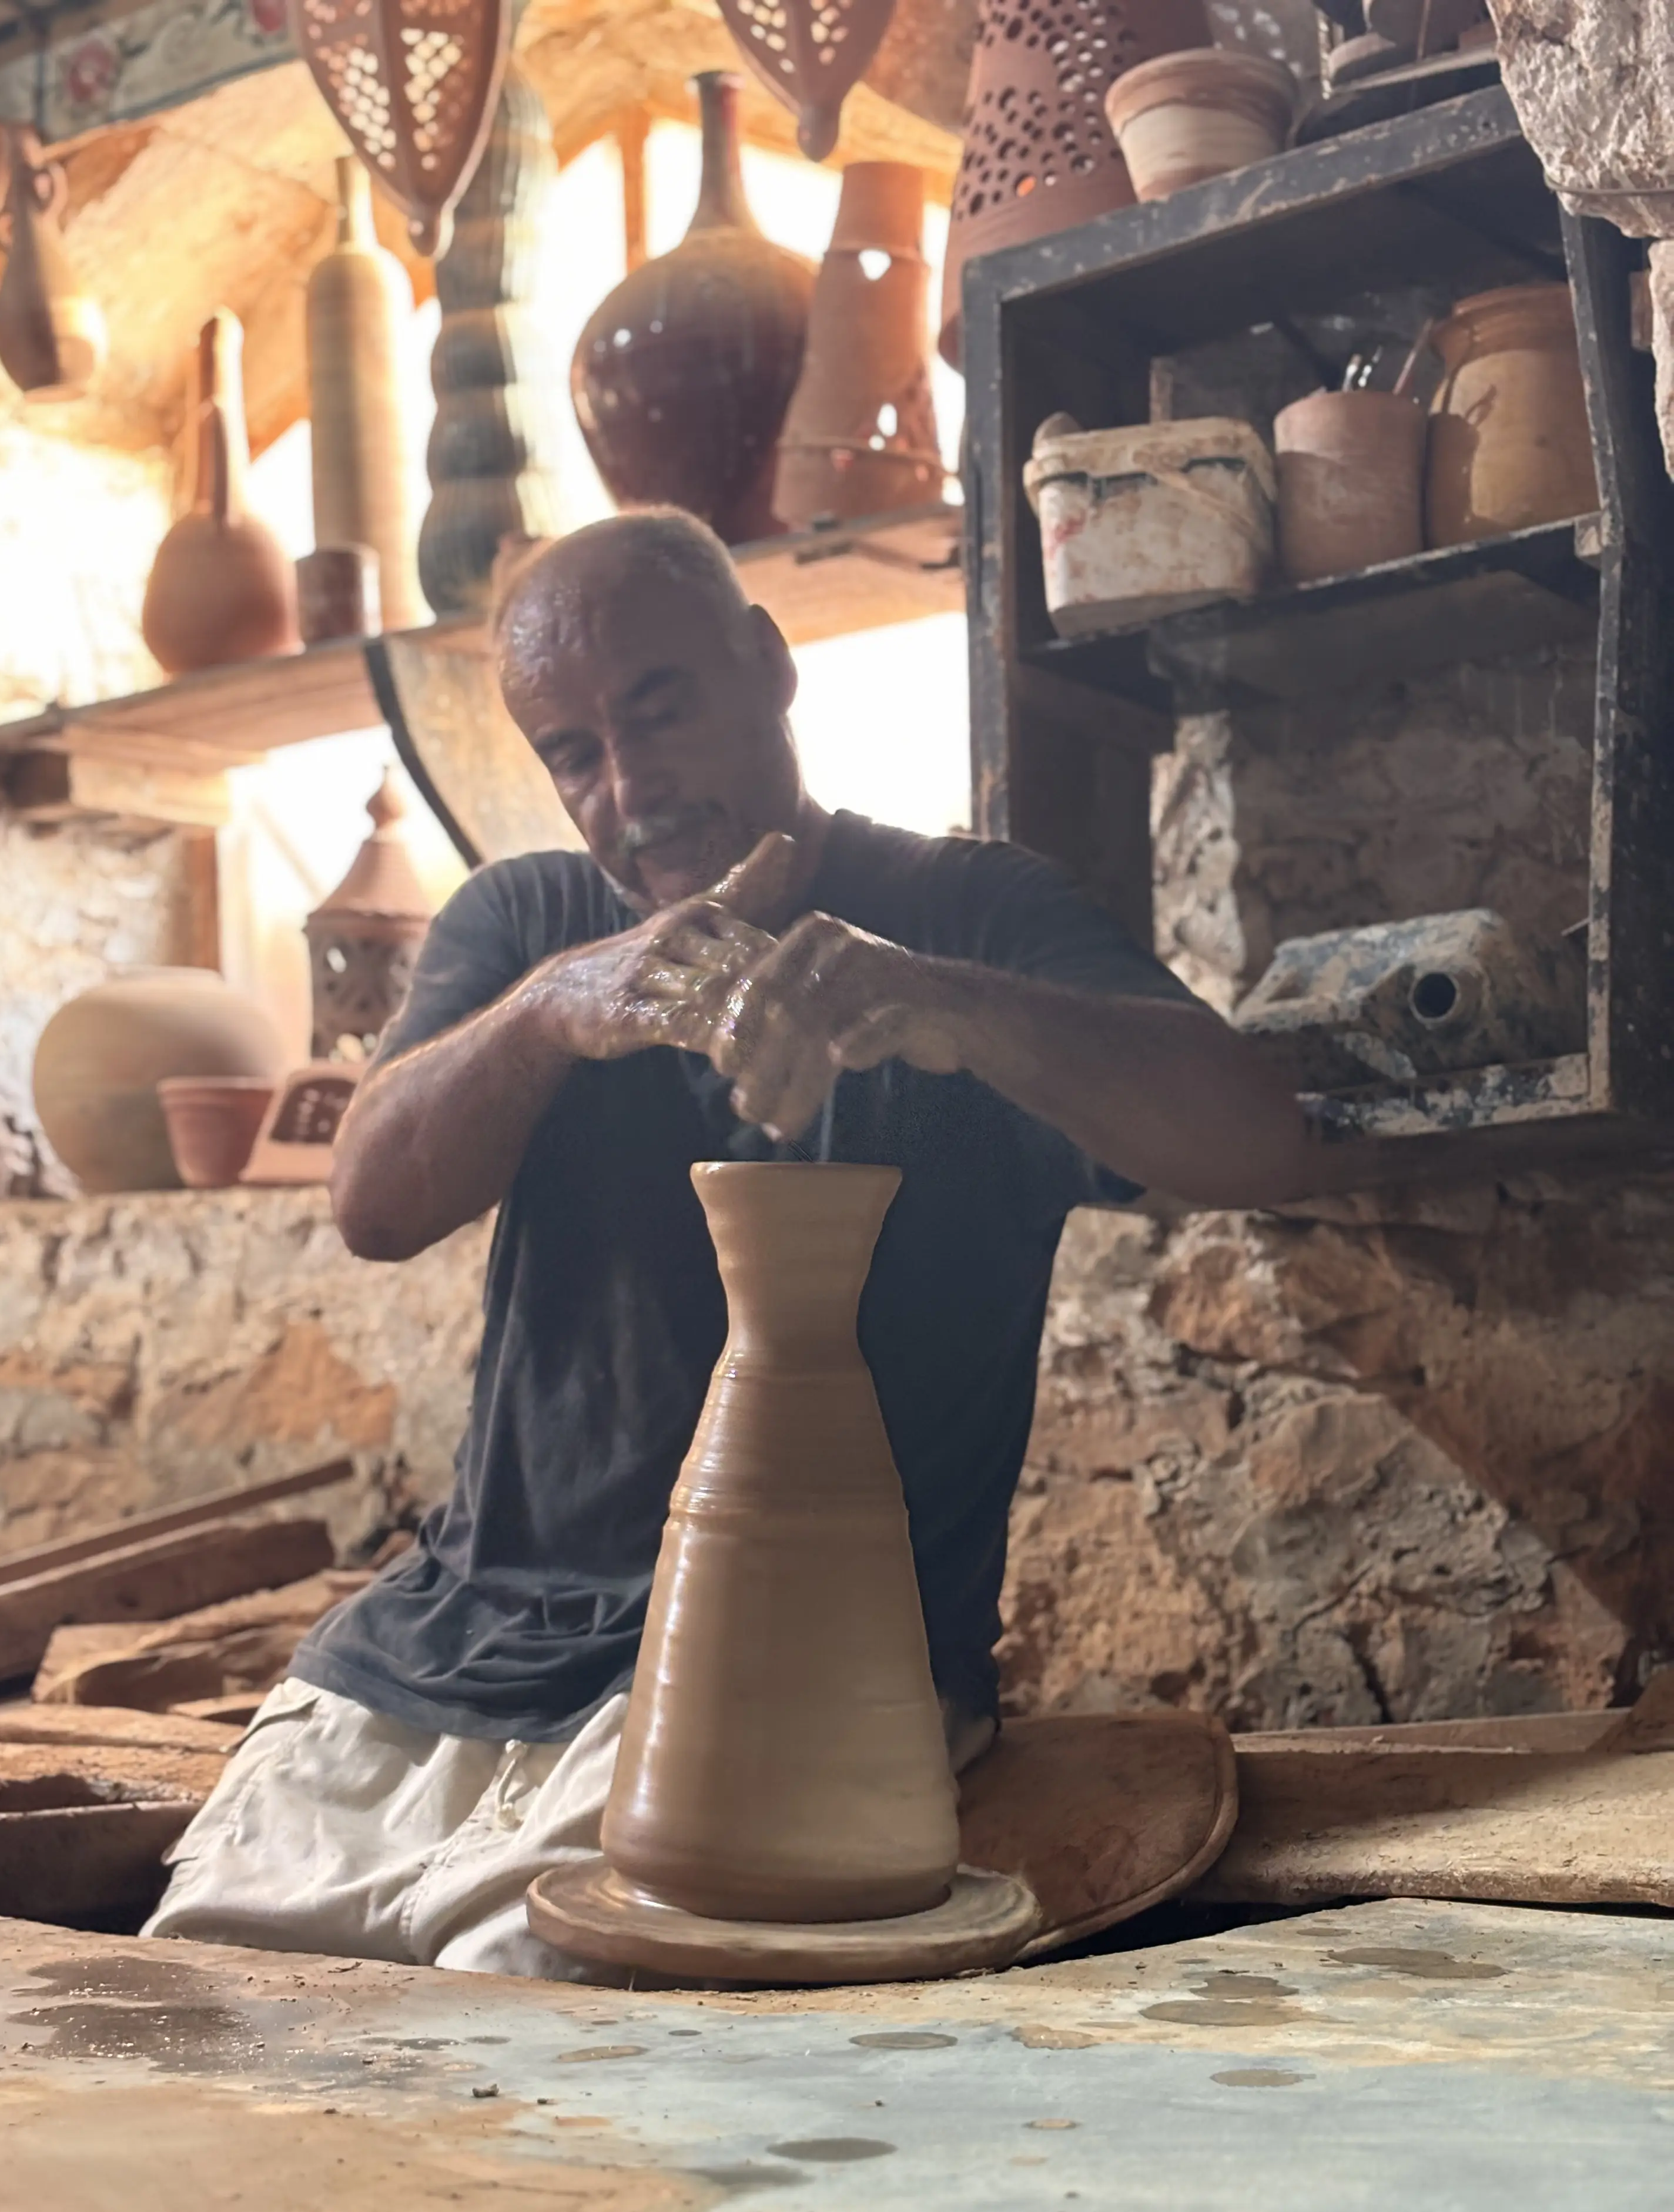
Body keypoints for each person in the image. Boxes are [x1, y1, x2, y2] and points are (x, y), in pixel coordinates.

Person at [146, 507, 1325, 1975]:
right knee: (192, 2001)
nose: (629, 789)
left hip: (806, 1667)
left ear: (766, 666)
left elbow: (1262, 1141)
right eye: (573, 753)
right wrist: (558, 1010)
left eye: (661, 709)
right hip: (452, 1644)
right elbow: (372, 1207)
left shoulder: (970, 909)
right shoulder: (533, 923)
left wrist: (962, 1011)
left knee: (526, 2051)